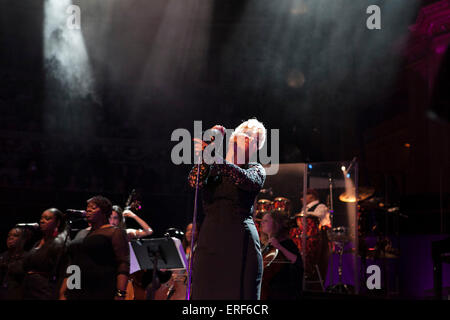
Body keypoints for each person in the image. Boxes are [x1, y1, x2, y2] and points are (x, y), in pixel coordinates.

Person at [188, 119, 266, 300]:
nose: (246, 137)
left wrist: (213, 157)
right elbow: (194, 181)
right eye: (244, 132)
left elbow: (246, 181)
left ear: (255, 148)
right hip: (210, 241)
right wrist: (209, 147)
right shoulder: (213, 167)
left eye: (252, 137)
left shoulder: (256, 169)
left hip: (240, 242)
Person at [60, 195, 130, 300]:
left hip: (101, 288)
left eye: (93, 208)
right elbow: (73, 264)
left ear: (104, 212)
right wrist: (64, 291)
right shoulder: (82, 232)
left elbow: (123, 263)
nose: (88, 210)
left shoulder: (114, 232)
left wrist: (120, 294)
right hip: (76, 287)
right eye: (87, 207)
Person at [22, 208, 69, 299]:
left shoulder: (60, 244)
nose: (42, 221)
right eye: (41, 218)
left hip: (44, 291)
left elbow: (65, 272)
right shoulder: (38, 242)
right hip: (29, 289)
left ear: (58, 223)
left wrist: (62, 295)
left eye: (47, 218)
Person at [260, 211, 303, 299]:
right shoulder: (265, 245)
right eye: (262, 221)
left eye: (266, 221)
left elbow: (298, 262)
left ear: (277, 224)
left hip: (282, 292)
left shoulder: (287, 243)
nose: (262, 223)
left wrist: (279, 247)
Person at [0, 227, 31, 299]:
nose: (10, 238)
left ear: (23, 239)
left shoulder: (27, 257)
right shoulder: (2, 256)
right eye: (9, 235)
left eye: (15, 235)